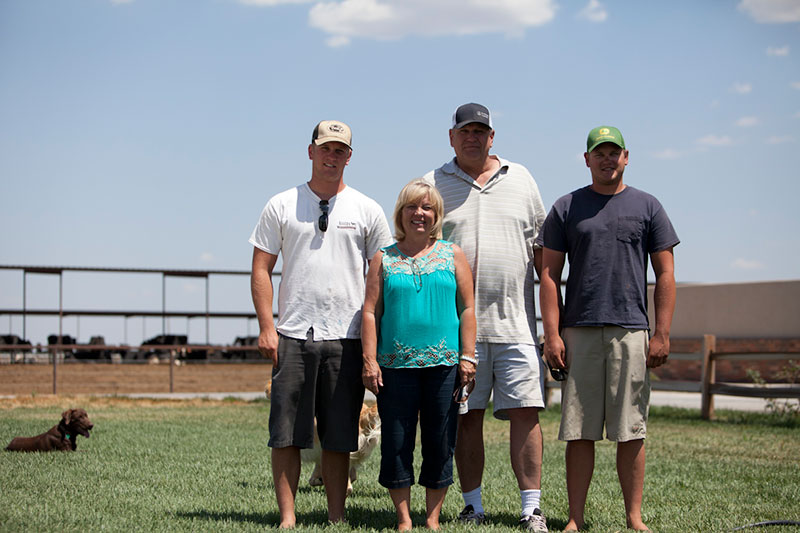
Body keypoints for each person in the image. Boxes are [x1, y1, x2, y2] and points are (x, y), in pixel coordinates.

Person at [249, 119, 392, 528]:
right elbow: (261, 269)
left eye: (340, 150)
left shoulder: (367, 209)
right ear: (310, 151)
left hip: (346, 337)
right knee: (286, 434)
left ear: (350, 156)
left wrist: (373, 340)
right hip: (293, 333)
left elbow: (379, 275)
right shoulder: (280, 204)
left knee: (338, 436)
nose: (332, 156)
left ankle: (335, 516)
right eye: (325, 148)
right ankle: (288, 518)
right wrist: (266, 326)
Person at [539, 126, 679, 532]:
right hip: (578, 331)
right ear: (586, 159)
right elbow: (549, 274)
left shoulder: (648, 206)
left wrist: (662, 333)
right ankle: (574, 519)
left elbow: (665, 273)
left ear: (626, 157)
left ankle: (633, 518)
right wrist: (552, 334)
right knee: (579, 431)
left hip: (631, 329)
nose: (607, 159)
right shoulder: (566, 207)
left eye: (613, 152)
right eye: (598, 153)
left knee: (630, 430)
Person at [423, 103, 550, 532]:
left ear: (492, 137)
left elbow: (543, 251)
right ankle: (472, 505)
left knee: (526, 413)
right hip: (458, 330)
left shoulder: (522, 179)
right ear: (452, 137)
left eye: (481, 131)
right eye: (465, 131)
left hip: (517, 324)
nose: (473, 138)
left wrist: (552, 322)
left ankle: (531, 508)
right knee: (466, 416)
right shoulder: (432, 184)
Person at [362, 179, 477, 531]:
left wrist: (468, 357)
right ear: (401, 213)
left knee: (440, 442)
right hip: (395, 367)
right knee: (396, 442)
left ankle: (432, 519)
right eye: (412, 207)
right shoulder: (384, 257)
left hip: (444, 366)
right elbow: (370, 311)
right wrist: (369, 360)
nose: (419, 214)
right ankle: (403, 519)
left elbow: (468, 308)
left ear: (437, 214)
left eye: (427, 207)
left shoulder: (452, 254)